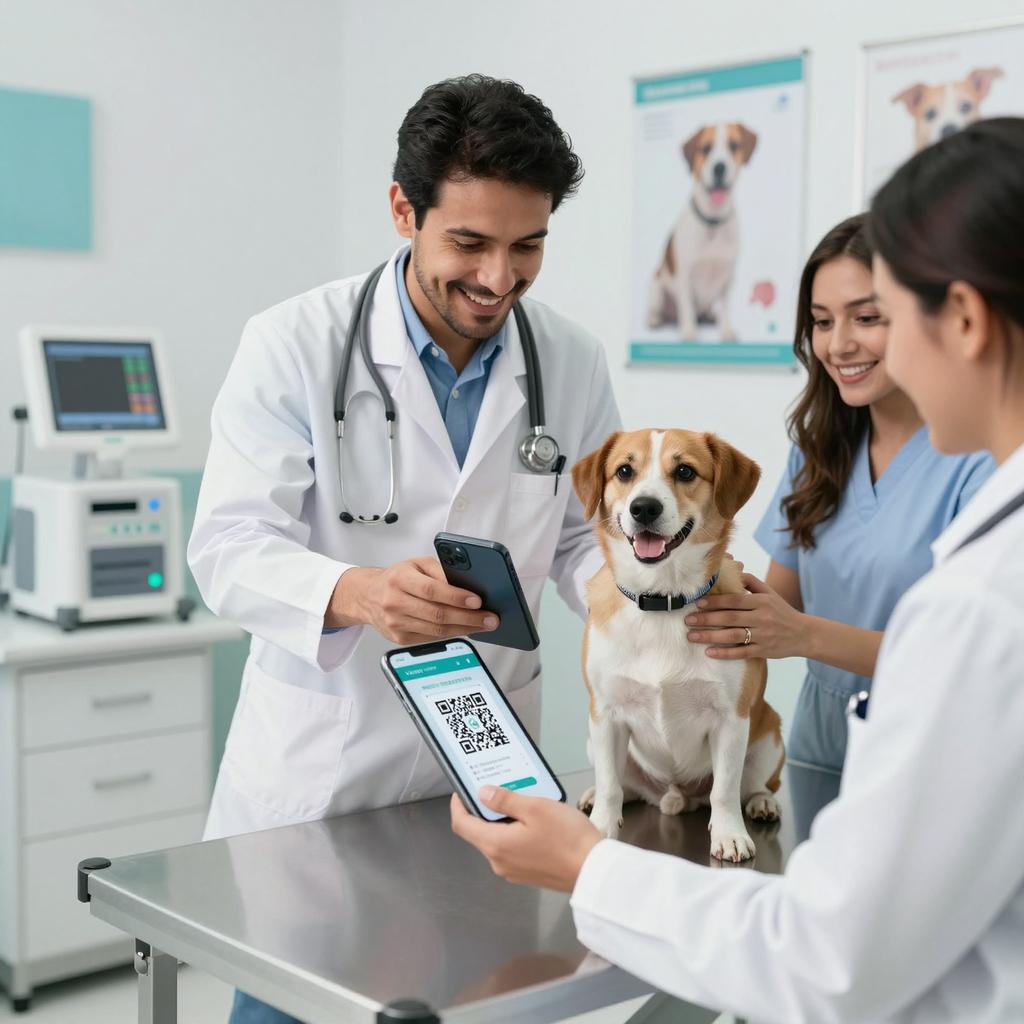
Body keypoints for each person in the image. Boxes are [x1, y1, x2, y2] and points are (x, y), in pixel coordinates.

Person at [453, 117, 1024, 1023]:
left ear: (959, 318)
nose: (850, 346)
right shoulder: (838, 464)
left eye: (883, 314)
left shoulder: (984, 600)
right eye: (824, 321)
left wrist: (588, 865)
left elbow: (827, 959)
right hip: (818, 759)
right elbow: (764, 601)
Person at [188, 75, 621, 1024]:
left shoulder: (573, 361)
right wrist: (358, 592)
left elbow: (588, 533)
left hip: (487, 770)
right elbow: (226, 545)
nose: (499, 278)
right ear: (403, 210)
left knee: (467, 1005)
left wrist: (629, 604)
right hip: (324, 781)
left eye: (528, 245)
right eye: (469, 243)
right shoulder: (293, 344)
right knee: (294, 1005)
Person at [682, 213, 992, 772]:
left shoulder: (983, 462)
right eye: (822, 322)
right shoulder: (818, 448)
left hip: (932, 746)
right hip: (819, 744)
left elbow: (967, 656)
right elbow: (776, 606)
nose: (839, 344)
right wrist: (679, 577)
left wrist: (800, 634)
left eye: (867, 317)